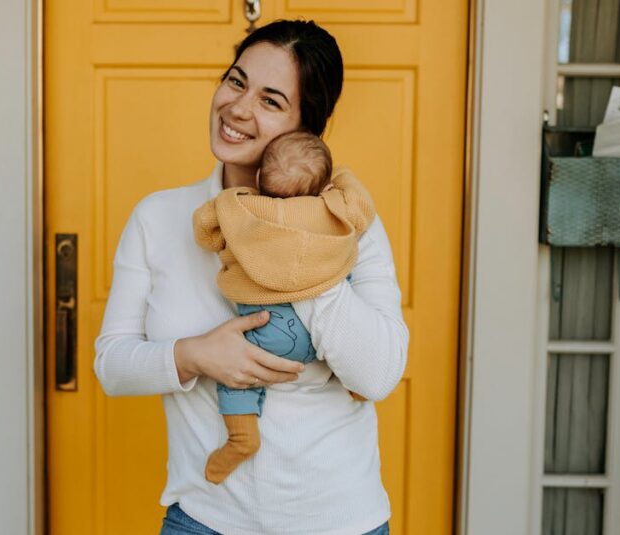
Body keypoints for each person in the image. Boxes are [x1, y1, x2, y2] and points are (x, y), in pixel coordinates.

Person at [94, 19, 408, 535]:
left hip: (341, 522)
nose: (238, 108)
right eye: (236, 82)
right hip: (204, 520)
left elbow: (377, 374)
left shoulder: (348, 223)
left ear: (307, 126)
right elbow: (112, 364)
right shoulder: (160, 217)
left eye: (271, 100)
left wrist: (300, 245)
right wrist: (196, 354)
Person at [192, 130, 375, 484]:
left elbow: (206, 232)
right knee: (342, 280)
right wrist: (341, 177)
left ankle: (242, 437)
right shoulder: (331, 207)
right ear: (323, 187)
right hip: (320, 333)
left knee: (238, 378)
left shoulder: (243, 207)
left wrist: (230, 200)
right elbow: (362, 208)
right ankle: (355, 381)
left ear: (260, 177)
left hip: (266, 331)